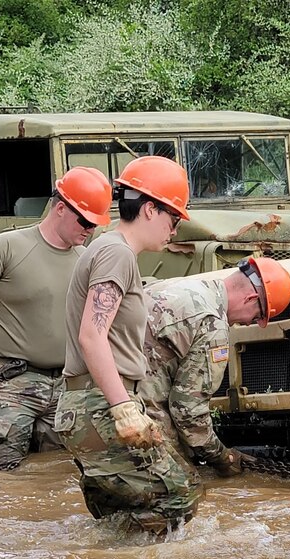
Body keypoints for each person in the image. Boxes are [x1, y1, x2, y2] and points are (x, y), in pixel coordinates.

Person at [54, 155, 201, 533]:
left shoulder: (106, 248)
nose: (174, 231)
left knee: (119, 522)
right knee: (180, 496)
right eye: (173, 219)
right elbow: (92, 334)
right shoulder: (117, 253)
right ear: (150, 210)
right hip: (100, 406)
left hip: (86, 405)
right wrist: (123, 409)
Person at [0, 167, 113, 470]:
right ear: (60, 208)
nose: (89, 230)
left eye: (95, 225)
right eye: (86, 221)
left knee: (56, 475)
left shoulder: (85, 261)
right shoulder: (7, 247)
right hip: (9, 383)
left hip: (65, 385)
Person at [139, 257, 290, 475]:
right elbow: (188, 411)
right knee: (183, 491)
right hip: (136, 413)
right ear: (250, 298)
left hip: (94, 403)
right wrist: (222, 457)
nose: (250, 323)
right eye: (257, 316)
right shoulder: (212, 324)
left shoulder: (174, 285)